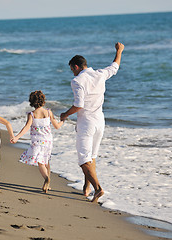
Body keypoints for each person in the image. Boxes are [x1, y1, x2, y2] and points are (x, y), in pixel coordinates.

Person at [60, 42, 124, 203]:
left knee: (83, 160)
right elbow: (114, 66)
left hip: (86, 123)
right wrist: (119, 50)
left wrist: (65, 114)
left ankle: (98, 188)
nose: (72, 74)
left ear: (76, 67)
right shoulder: (100, 74)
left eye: (72, 70)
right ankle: (87, 188)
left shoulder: (77, 81)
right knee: (91, 157)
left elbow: (78, 105)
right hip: (100, 122)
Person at [11, 90, 64, 193]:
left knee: (40, 162)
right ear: (43, 101)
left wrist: (17, 137)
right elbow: (57, 126)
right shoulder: (48, 112)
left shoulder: (32, 114)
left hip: (37, 141)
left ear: (31, 102)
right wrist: (62, 120)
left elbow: (26, 127)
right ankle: (48, 183)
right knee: (46, 160)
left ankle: (46, 178)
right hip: (48, 141)